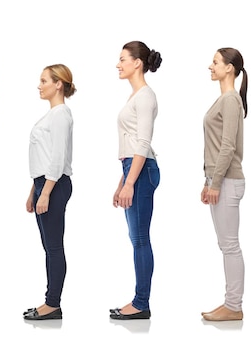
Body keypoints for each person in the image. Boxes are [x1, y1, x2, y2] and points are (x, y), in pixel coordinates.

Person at [109, 41, 162, 321]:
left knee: (141, 239)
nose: (118, 64)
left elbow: (143, 143)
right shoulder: (136, 96)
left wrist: (130, 182)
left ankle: (141, 303)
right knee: (136, 239)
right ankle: (139, 300)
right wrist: (122, 182)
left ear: (137, 63)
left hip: (141, 169)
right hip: (134, 168)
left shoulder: (145, 96)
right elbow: (131, 147)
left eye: (122, 59)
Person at [23, 64, 75, 321]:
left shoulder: (61, 114)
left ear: (58, 84)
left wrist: (46, 192)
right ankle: (50, 302)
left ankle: (52, 304)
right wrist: (35, 190)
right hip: (45, 184)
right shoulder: (52, 114)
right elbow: (42, 158)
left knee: (54, 248)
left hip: (54, 185)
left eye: (44, 80)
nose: (39, 85)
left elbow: (57, 158)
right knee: (49, 247)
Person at [200, 47, 248, 322]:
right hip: (219, 180)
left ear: (229, 68)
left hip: (228, 181)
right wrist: (207, 180)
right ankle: (230, 304)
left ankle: (233, 305)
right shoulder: (225, 99)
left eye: (216, 62)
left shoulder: (230, 100)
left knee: (230, 245)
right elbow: (215, 145)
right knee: (226, 245)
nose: (211, 66)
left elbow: (228, 147)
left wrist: (215, 182)